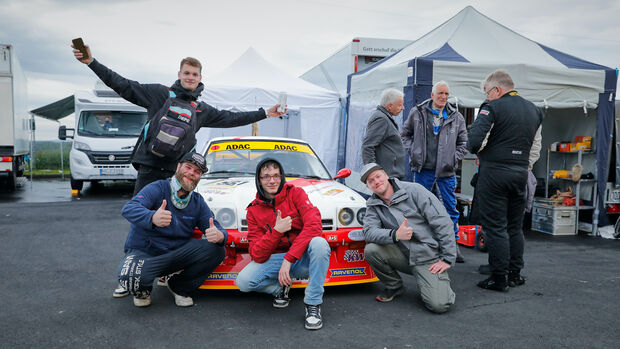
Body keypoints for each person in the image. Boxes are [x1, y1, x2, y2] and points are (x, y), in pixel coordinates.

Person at [71, 41, 285, 196]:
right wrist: (92, 62)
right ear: (179, 75)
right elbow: (122, 85)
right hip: (149, 169)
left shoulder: (201, 109)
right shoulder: (159, 94)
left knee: (172, 220)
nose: (190, 77)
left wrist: (265, 113)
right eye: (186, 73)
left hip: (179, 173)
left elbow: (231, 118)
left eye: (194, 74)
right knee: (142, 216)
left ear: (200, 78)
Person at [117, 152, 227, 307]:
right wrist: (152, 217)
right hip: (147, 253)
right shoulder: (157, 188)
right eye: (188, 167)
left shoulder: (197, 201)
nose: (191, 173)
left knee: (217, 249)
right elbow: (129, 209)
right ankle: (143, 290)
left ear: (200, 177)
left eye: (197, 171)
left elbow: (215, 226)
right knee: (128, 277)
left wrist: (220, 235)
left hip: (176, 255)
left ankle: (179, 286)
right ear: (178, 167)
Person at [467, 69, 543, 291]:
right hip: (521, 174)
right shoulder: (535, 110)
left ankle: (498, 277)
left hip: (494, 173)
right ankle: (514, 273)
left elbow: (474, 143)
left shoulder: (492, 107)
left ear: (497, 89)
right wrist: (523, 166)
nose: (486, 97)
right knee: (514, 226)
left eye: (487, 92)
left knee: (496, 227)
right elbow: (536, 147)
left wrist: (489, 155)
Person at [235, 158, 330, 330]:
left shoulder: (296, 193)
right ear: (259, 180)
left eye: (276, 175)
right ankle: (278, 289)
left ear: (282, 177)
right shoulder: (253, 211)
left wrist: (289, 259)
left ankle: (313, 304)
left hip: (299, 259)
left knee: (319, 244)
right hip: (277, 261)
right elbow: (257, 254)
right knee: (243, 282)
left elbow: (314, 226)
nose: (272, 180)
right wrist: (276, 231)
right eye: (266, 176)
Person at [361, 162, 456, 313]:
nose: (376, 181)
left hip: (427, 256)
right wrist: (395, 235)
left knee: (439, 305)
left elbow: (442, 222)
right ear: (368, 186)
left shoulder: (414, 190)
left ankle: (435, 281)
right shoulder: (373, 205)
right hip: (403, 254)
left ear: (386, 175)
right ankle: (394, 286)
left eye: (378, 176)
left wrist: (447, 258)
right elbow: (369, 232)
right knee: (372, 250)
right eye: (370, 181)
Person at [401, 81, 468, 263]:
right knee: (420, 208)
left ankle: (453, 245)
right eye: (440, 93)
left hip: (446, 171)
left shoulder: (456, 116)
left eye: (446, 94)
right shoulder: (418, 113)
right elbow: (405, 134)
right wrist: (414, 150)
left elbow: (463, 142)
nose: (443, 97)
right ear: (432, 95)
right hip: (423, 170)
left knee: (450, 208)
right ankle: (424, 245)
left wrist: (454, 158)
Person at [361, 88, 406, 180]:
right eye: (400, 105)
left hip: (389, 175)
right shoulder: (381, 119)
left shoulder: (384, 117)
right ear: (389, 106)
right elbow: (367, 146)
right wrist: (373, 172)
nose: (403, 108)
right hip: (387, 177)